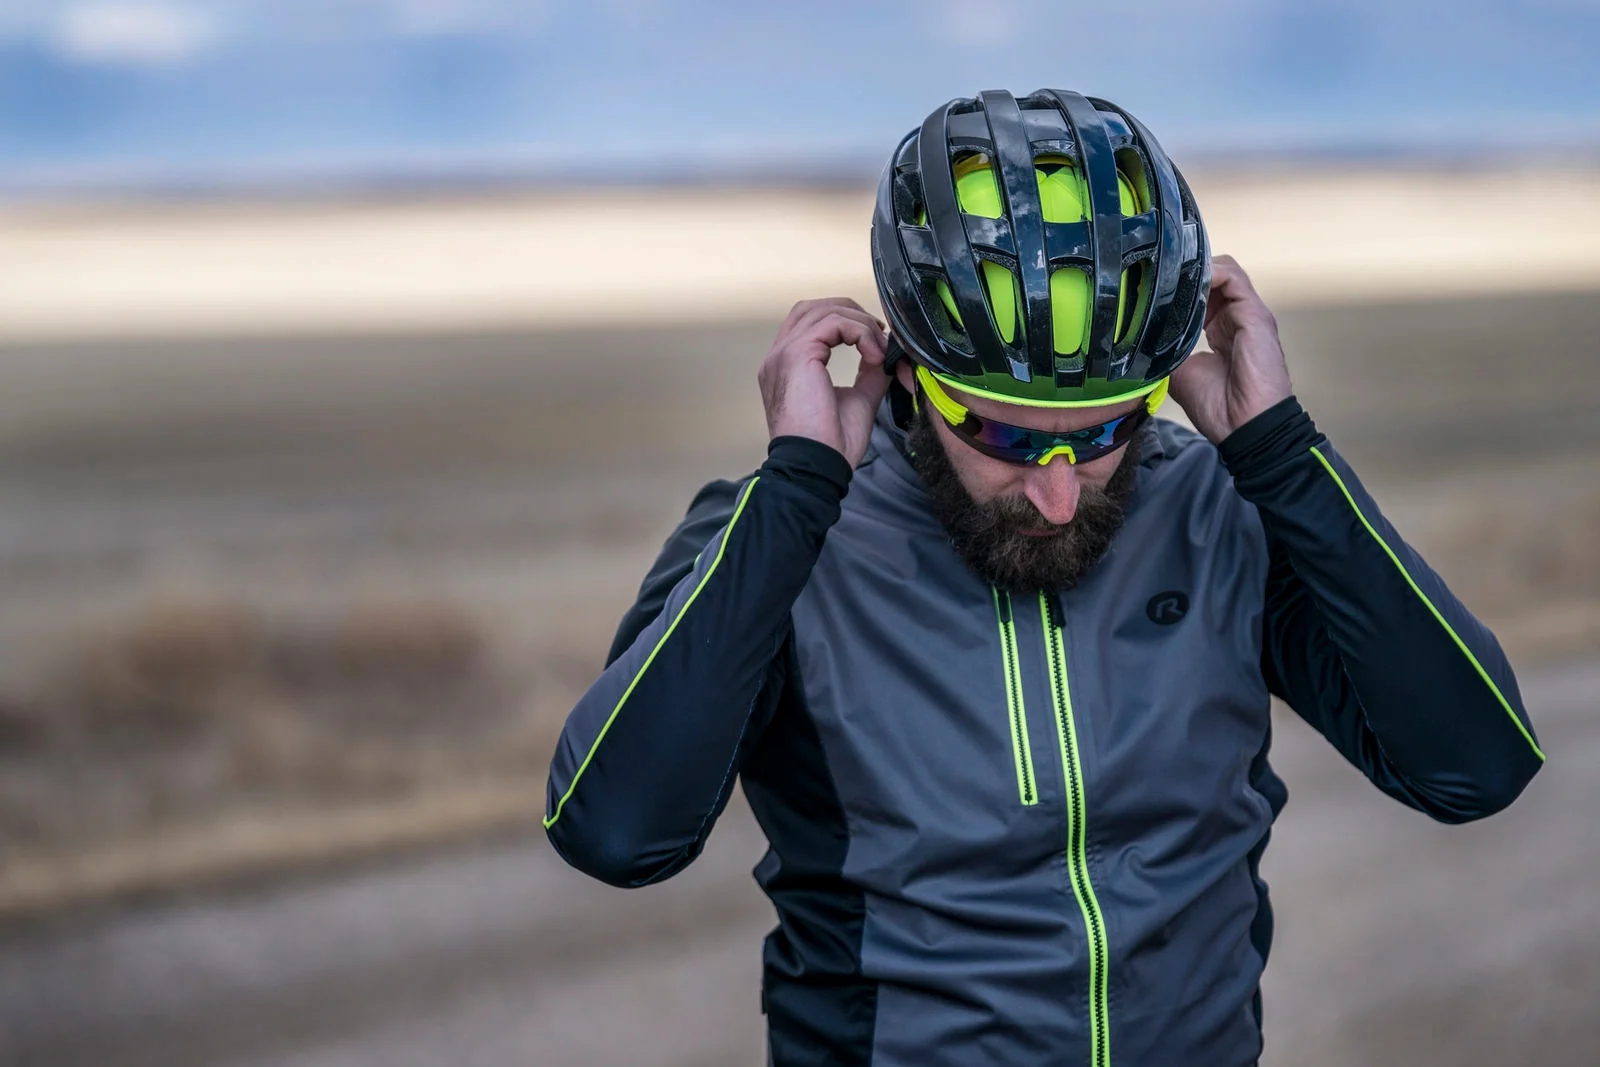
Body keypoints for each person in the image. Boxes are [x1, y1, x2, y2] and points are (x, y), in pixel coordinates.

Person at [543, 89, 1544, 1066]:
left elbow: (1473, 767)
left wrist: (1283, 456)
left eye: (1108, 430)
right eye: (1006, 435)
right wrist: (796, 493)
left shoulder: (1220, 509)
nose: (1059, 494)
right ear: (905, 367)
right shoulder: (781, 541)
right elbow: (617, 832)